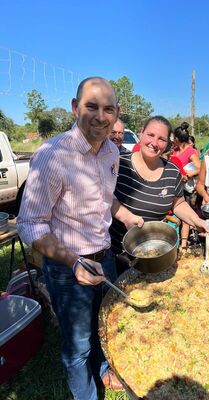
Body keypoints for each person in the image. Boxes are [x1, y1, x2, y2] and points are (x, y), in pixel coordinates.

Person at [17, 77, 143, 399]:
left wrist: (127, 216)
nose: (101, 116)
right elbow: (30, 225)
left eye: (108, 109)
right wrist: (73, 261)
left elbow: (104, 197)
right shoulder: (52, 156)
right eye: (91, 106)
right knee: (77, 345)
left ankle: (103, 370)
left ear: (116, 113)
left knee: (105, 325)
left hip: (105, 257)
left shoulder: (112, 153)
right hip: (67, 267)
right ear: (75, 108)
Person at [109, 115, 209, 268]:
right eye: (150, 135)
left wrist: (197, 221)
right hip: (116, 254)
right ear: (141, 133)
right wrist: (126, 216)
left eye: (162, 139)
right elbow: (103, 198)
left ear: (167, 144)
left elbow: (178, 204)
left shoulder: (172, 171)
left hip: (153, 254)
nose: (154, 143)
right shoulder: (118, 163)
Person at [172, 122, 201, 248]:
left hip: (186, 189)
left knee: (184, 216)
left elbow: (200, 168)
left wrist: (188, 174)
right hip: (174, 186)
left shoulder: (190, 151)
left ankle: (183, 244)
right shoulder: (174, 150)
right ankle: (174, 240)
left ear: (177, 139)